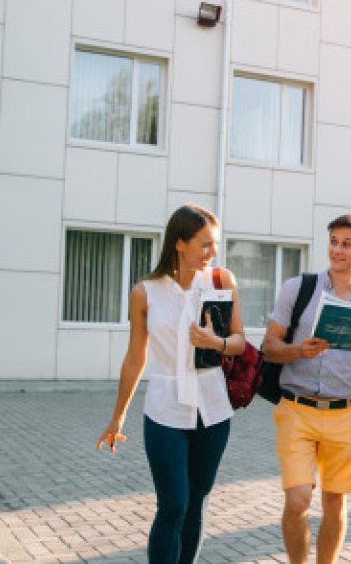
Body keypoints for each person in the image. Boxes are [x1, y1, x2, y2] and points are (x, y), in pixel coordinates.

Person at [97, 204, 247, 564]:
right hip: (164, 410)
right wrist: (118, 416)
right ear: (179, 244)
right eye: (205, 245)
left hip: (212, 409)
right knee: (173, 504)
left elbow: (240, 341)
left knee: (195, 502)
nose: (213, 253)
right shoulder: (145, 293)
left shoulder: (220, 281)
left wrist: (217, 343)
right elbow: (135, 357)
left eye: (215, 244)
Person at [261, 214, 351, 564]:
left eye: (347, 244)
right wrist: (297, 351)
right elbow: (269, 347)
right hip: (296, 409)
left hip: (345, 414)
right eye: (333, 241)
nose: (337, 250)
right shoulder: (297, 289)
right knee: (298, 500)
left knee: (335, 502)